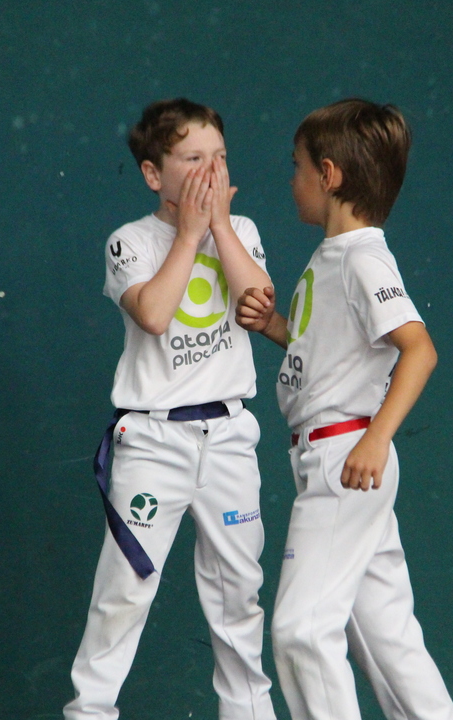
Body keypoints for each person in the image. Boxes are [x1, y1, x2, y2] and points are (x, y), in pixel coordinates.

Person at [237, 99, 453, 720]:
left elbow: (419, 349)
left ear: (329, 174)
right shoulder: (332, 257)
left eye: (298, 166)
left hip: (347, 459)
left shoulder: (363, 257)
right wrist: (277, 327)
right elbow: (331, 352)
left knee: (302, 632)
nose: (292, 179)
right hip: (337, 456)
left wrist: (376, 439)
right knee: (389, 641)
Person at [64, 98, 276, 720]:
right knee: (123, 593)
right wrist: (188, 235)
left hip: (230, 437)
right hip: (154, 444)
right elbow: (154, 315)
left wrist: (220, 228)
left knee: (239, 594)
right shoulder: (129, 242)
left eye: (219, 157)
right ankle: (89, 714)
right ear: (154, 174)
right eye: (192, 158)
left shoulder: (244, 231)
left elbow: (258, 303)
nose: (210, 171)